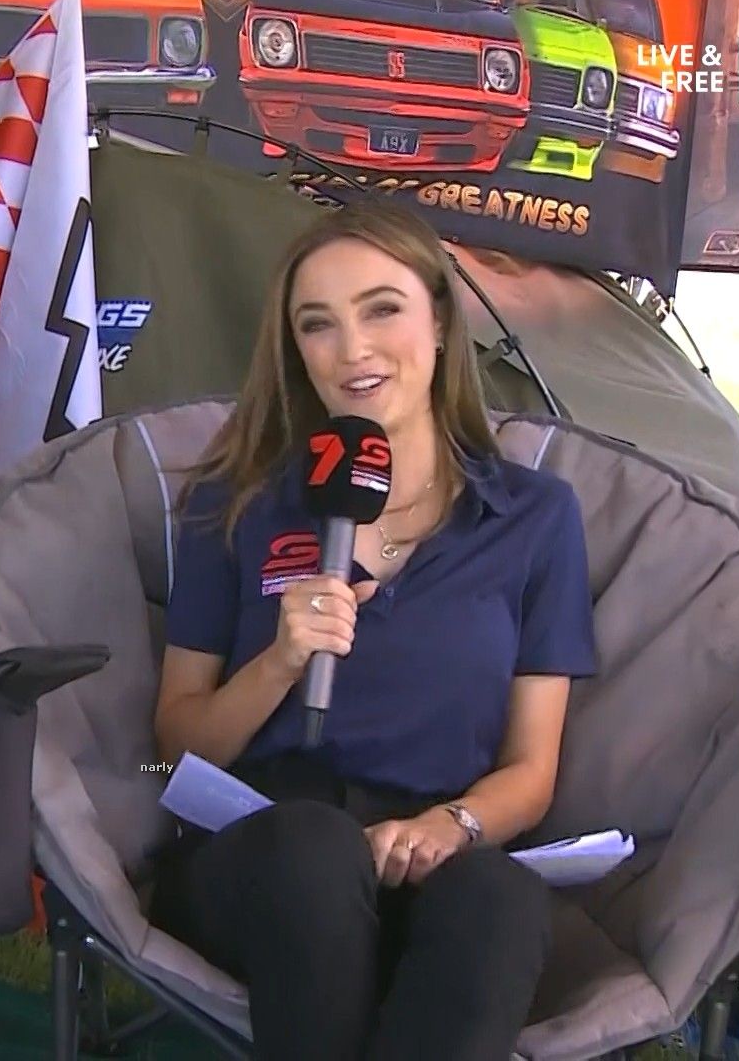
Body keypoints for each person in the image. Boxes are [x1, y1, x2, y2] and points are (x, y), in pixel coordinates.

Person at [148, 199, 598, 1061]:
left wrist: (451, 827)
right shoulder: (234, 503)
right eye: (317, 325)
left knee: (499, 899)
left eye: (381, 309)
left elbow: (532, 769)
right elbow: (176, 746)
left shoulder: (535, 516)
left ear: (441, 321)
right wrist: (280, 662)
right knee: (313, 851)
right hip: (268, 850)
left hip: (434, 854)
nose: (352, 350)